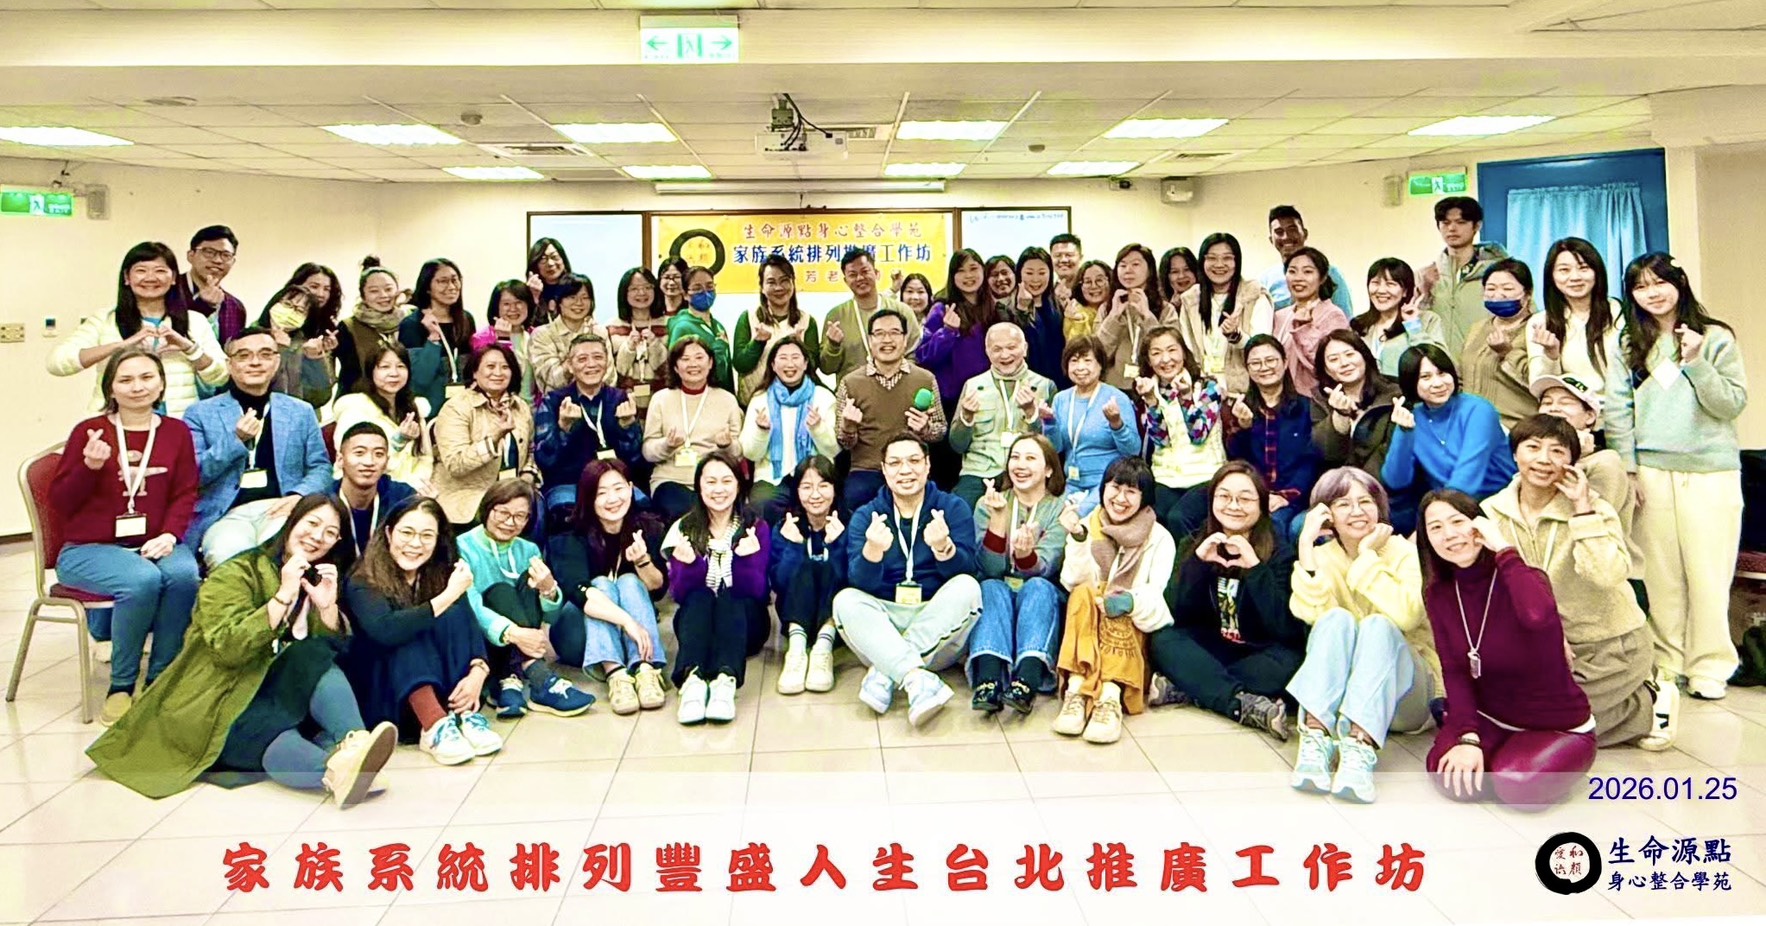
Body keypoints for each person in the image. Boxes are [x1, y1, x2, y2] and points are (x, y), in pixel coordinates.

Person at [87, 493, 395, 805]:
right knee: (274, 735)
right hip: (221, 695)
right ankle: (343, 771)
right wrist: (282, 596)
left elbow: (332, 654)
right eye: (312, 523)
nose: (317, 537)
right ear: (291, 523)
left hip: (273, 689)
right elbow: (227, 649)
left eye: (330, 532)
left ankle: (353, 751)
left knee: (313, 656)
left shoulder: (318, 578)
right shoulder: (237, 572)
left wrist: (327, 608)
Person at [1606, 252, 1748, 702]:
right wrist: (1628, 468)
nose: (1652, 293)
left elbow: (1730, 404)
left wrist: (1696, 362)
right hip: (1651, 470)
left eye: (1659, 282)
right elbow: (1617, 409)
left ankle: (1710, 666)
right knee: (1662, 575)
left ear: (1679, 283)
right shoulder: (1628, 342)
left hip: (1711, 470)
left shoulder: (1716, 337)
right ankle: (1669, 660)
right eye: (1641, 286)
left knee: (1709, 573)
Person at [1482, 414, 1669, 750]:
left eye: (1557, 451)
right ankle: (1616, 708)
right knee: (1511, 717)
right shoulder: (1492, 512)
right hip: (1542, 648)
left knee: (1548, 725)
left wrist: (1582, 511)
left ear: (1571, 462)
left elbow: (1607, 574)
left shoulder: (1595, 508)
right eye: (1533, 447)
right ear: (1514, 453)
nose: (1543, 459)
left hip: (1608, 647)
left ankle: (1648, 705)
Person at [51, 348, 201, 725]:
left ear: (162, 384)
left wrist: (170, 534)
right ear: (111, 388)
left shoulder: (176, 432)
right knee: (142, 579)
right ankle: (120, 685)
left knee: (184, 574)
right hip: (88, 548)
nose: (138, 387)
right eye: (126, 380)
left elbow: (185, 492)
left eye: (147, 378)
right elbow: (61, 502)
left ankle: (160, 677)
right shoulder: (90, 432)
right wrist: (90, 467)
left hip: (154, 541)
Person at [1418, 490, 1596, 808]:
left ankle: (1521, 762)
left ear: (1480, 525)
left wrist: (1502, 547)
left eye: (1457, 522)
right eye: (1436, 528)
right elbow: (1454, 670)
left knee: (1515, 787)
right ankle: (1492, 750)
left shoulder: (1525, 579)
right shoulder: (1439, 593)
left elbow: (1537, 615)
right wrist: (1469, 737)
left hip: (1556, 725)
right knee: (1449, 776)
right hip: (1490, 717)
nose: (1449, 534)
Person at [1285, 468, 1437, 803]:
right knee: (1334, 619)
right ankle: (1316, 738)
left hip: (1407, 696)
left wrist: (1367, 555)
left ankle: (1359, 748)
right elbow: (1312, 617)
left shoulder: (1403, 552)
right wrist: (1306, 544)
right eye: (1343, 504)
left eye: (1365, 501)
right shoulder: (1323, 556)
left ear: (1379, 508)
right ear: (1327, 515)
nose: (1357, 511)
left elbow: (1408, 615)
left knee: (1377, 626)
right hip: (1344, 698)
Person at [1147, 462, 1303, 740]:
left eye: (1245, 499)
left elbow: (1285, 629)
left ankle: (1192, 687)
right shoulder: (1194, 544)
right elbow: (1175, 612)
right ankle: (1239, 703)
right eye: (1224, 496)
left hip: (1258, 651)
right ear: (1212, 501)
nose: (1234, 506)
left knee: (1292, 661)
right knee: (1164, 640)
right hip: (1213, 646)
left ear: (1262, 505)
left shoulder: (1281, 554)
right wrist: (1198, 563)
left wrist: (1255, 568)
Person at [343, 496, 503, 765]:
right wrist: (449, 595)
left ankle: (463, 715)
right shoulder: (363, 578)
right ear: (389, 533)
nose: (416, 544)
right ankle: (434, 726)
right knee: (407, 628)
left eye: (427, 535)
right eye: (407, 533)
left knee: (453, 613)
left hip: (441, 686)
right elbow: (386, 630)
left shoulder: (441, 571)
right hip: (388, 694)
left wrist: (479, 671)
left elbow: (467, 623)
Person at [835, 433, 981, 726]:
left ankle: (887, 671)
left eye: (914, 461)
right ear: (883, 469)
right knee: (845, 601)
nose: (905, 470)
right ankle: (916, 679)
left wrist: (944, 548)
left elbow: (967, 570)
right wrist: (872, 552)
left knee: (968, 588)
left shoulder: (953, 508)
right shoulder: (866, 516)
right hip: (883, 623)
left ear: (928, 465)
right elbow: (859, 583)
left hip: (936, 624)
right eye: (895, 463)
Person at [185, 326, 332, 569]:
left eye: (265, 354)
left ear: (276, 362)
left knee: (286, 555)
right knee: (229, 561)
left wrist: (299, 496)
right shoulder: (200, 413)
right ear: (230, 364)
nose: (255, 362)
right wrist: (235, 440)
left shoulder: (300, 411)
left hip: (282, 509)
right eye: (244, 356)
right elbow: (192, 475)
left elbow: (321, 467)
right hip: (225, 515)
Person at [1052, 457, 1175, 744]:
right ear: (1103, 489)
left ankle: (1109, 697)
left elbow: (1158, 601)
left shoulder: (1160, 538)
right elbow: (1072, 581)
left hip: (1131, 635)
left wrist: (1129, 602)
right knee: (1083, 593)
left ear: (1144, 498)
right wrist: (1078, 539)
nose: (1120, 499)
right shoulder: (1086, 525)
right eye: (1115, 488)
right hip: (1088, 627)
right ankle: (1077, 690)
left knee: (1118, 596)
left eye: (1131, 491)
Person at [455, 480, 595, 719]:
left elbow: (550, 617)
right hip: (483, 640)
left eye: (520, 516)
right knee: (501, 592)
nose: (510, 522)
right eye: (503, 513)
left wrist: (549, 590)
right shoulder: (462, 546)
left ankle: (508, 680)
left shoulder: (529, 549)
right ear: (487, 509)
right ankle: (539, 676)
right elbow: (471, 604)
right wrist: (514, 633)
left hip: (523, 639)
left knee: (527, 584)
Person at [47, 241, 229, 417]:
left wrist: (190, 348)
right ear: (127, 278)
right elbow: (57, 364)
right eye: (141, 270)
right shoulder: (105, 319)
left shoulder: (195, 321)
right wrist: (121, 346)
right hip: (113, 421)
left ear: (173, 278)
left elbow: (221, 376)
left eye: (160, 271)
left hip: (178, 423)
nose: (150, 278)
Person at [548, 460, 669, 715]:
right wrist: (628, 622)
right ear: (588, 498)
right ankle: (615, 674)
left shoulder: (648, 527)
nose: (612, 499)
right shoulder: (569, 534)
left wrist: (642, 561)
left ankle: (645, 669)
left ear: (631, 489)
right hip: (577, 633)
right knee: (601, 583)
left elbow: (658, 589)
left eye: (619, 488)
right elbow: (582, 595)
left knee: (630, 581)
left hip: (630, 634)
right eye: (601, 493)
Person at [662, 450, 772, 725]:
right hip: (698, 623)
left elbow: (758, 593)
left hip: (745, 623)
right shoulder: (684, 528)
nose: (718, 490)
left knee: (730, 597)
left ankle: (725, 681)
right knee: (699, 597)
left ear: (739, 485)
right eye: (710, 482)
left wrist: (745, 561)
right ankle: (693, 682)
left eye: (726, 481)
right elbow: (680, 595)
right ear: (699, 487)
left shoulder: (755, 527)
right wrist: (689, 566)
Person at [967, 435, 1068, 716]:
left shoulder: (1060, 508)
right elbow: (989, 567)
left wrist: (1025, 555)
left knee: (1038, 586)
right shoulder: (987, 503)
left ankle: (1027, 680)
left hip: (1039, 591)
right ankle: (988, 681)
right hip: (999, 587)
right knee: (990, 586)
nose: (1020, 465)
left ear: (1049, 469)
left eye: (1030, 458)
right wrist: (998, 520)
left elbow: (1047, 566)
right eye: (1015, 457)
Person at [1380, 345, 1516, 527]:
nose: (1438, 383)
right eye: (1426, 377)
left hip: (1498, 501)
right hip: (1450, 505)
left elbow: (1468, 476)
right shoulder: (1414, 418)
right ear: (1411, 382)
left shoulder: (1478, 409)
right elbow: (1396, 481)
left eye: (1442, 373)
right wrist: (1404, 433)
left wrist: (1437, 521)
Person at [834, 308, 948, 511]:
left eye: (894, 332)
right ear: (870, 340)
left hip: (911, 467)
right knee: (855, 499)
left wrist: (925, 429)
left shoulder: (925, 379)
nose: (887, 340)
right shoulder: (850, 383)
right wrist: (849, 427)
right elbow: (844, 442)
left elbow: (940, 430)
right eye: (879, 334)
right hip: (867, 469)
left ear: (905, 339)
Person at [533, 333, 641, 531]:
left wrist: (627, 427)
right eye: (582, 359)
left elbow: (636, 459)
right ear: (569, 365)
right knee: (567, 518)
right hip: (569, 483)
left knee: (644, 511)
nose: (591, 364)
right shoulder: (553, 401)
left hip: (614, 484)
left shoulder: (620, 398)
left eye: (598, 357)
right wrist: (564, 428)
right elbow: (544, 460)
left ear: (607, 362)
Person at [949, 323, 1056, 508]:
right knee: (958, 511)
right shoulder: (973, 386)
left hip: (1025, 471)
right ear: (987, 352)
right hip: (979, 472)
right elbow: (957, 445)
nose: (1005, 355)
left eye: (1011, 347)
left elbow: (1053, 446)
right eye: (997, 349)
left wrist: (1031, 414)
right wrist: (967, 418)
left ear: (1025, 348)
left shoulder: (1044, 386)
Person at [432, 343, 540, 526]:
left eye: (505, 367)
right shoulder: (456, 407)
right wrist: (493, 440)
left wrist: (527, 477)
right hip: (467, 494)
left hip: (512, 492)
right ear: (475, 372)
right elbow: (455, 464)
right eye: (490, 366)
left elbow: (530, 450)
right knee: (498, 514)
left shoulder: (520, 406)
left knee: (538, 511)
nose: (498, 372)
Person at [1133, 326, 1224, 540]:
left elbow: (1199, 434)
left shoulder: (1208, 387)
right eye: (1156, 353)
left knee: (1179, 517)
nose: (1165, 359)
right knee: (1153, 516)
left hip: (1206, 475)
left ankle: (1187, 562)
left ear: (1184, 352)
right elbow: (1161, 440)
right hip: (1165, 476)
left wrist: (1186, 397)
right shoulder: (1147, 389)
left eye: (1172, 350)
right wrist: (1151, 401)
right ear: (1148, 360)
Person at [641, 337, 745, 523]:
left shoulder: (727, 400)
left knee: (729, 514)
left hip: (715, 481)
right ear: (675, 366)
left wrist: (727, 445)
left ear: (710, 362)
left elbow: (738, 453)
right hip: (672, 479)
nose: (693, 364)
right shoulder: (661, 399)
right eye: (685, 359)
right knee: (690, 513)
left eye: (699, 357)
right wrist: (667, 445)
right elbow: (648, 451)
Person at [1227, 336, 1321, 540]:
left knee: (1274, 525)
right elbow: (1237, 461)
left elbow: (1311, 461)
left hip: (1296, 496)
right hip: (1253, 495)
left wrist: (1285, 496)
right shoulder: (1242, 409)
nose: (1264, 367)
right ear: (1247, 369)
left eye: (1270, 360)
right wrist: (1243, 428)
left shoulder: (1307, 407)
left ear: (1285, 362)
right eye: (1255, 363)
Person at [768, 455, 847, 695]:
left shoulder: (850, 523)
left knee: (827, 567)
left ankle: (823, 649)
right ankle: (796, 652)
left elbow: (853, 580)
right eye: (806, 487)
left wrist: (837, 545)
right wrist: (794, 547)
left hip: (834, 623)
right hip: (794, 620)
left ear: (835, 488)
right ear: (796, 491)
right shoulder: (786, 527)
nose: (815, 495)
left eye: (823, 485)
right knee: (804, 566)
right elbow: (779, 584)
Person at [1312, 331, 1407, 523]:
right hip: (1338, 496)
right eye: (1334, 359)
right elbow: (1326, 455)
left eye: (1349, 354)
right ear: (1327, 370)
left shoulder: (1395, 394)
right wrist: (1339, 416)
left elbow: (1388, 454)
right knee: (1299, 526)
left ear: (1364, 356)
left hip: (1387, 496)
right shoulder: (1319, 399)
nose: (1344, 363)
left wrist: (1360, 493)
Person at [739, 335, 839, 511]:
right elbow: (750, 454)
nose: (790, 364)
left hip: (815, 477)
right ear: (773, 365)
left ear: (805, 363)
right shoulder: (760, 400)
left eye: (795, 357)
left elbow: (833, 451)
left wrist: (818, 428)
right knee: (762, 502)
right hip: (771, 478)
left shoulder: (823, 397)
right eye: (783, 358)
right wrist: (761, 431)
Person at [1042, 337, 1138, 514]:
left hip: (1109, 483)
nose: (1080, 367)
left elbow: (1132, 451)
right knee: (1051, 515)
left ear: (1100, 365)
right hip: (1072, 482)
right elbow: (1056, 448)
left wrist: (1116, 423)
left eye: (1087, 361)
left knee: (1076, 516)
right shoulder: (1061, 399)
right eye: (1074, 361)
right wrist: (1049, 423)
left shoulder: (1117, 398)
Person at [1529, 237, 1621, 410]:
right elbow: (1540, 387)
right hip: (1573, 416)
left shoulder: (1620, 313)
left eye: (1583, 268)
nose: (1575, 277)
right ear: (1552, 276)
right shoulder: (1541, 322)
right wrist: (1551, 355)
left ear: (1597, 272)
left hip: (1622, 411)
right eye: (1564, 270)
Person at [1177, 233, 1273, 395]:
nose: (1219, 264)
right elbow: (1187, 346)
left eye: (1227, 258)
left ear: (1237, 261)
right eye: (1212, 258)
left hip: (1245, 390)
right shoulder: (1191, 299)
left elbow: (1262, 348)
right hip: (1204, 390)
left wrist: (1237, 336)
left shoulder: (1254, 295)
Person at [330, 343, 433, 492]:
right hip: (365, 491)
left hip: (410, 490)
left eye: (401, 366)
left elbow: (425, 458)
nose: (394, 373)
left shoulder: (413, 408)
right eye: (385, 367)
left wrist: (415, 488)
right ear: (371, 371)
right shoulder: (355, 408)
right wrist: (398, 441)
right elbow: (357, 463)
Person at [917, 249, 1001, 421]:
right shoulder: (942, 309)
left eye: (973, 269)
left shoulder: (994, 309)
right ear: (952, 276)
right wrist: (947, 332)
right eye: (961, 271)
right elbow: (924, 357)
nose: (968, 276)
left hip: (989, 394)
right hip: (952, 400)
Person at [1420, 196, 1508, 355]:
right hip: (1439, 366)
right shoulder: (1427, 276)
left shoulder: (1501, 274)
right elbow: (1413, 323)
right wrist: (1424, 293)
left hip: (1486, 363)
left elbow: (1523, 319)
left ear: (1477, 225)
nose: (1452, 228)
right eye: (1445, 223)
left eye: (1461, 222)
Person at [820, 248, 922, 382]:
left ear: (877, 273)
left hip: (897, 388)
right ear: (845, 280)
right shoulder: (836, 316)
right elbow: (826, 368)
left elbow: (915, 356)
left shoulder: (902, 311)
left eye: (865, 271)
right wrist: (833, 346)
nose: (860, 278)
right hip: (851, 392)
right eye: (852, 274)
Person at [733, 255, 820, 405]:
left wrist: (800, 347)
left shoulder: (807, 321)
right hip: (754, 404)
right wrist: (757, 343)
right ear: (762, 287)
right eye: (771, 282)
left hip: (797, 405)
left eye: (784, 280)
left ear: (793, 283)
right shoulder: (749, 318)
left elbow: (813, 367)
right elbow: (740, 364)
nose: (779, 287)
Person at [1459, 258, 1535, 429]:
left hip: (1516, 428)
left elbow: (1539, 383)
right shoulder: (1477, 328)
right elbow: (1462, 375)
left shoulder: (1538, 327)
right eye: (1491, 289)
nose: (1498, 295)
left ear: (1528, 294)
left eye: (1507, 289)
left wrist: (1507, 353)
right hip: (1472, 425)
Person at [396, 258, 477, 418]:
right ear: (427, 287)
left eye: (455, 280)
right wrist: (432, 339)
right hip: (429, 412)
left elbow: (472, 368)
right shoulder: (412, 324)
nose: (451, 287)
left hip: (464, 410)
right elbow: (420, 379)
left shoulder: (466, 320)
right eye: (443, 281)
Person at [1096, 243, 1181, 391]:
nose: (1128, 270)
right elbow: (1098, 354)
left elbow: (1170, 352)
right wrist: (1113, 317)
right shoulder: (1107, 308)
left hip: (1154, 387)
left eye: (1135, 264)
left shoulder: (1166, 309)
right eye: (1123, 265)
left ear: (1150, 270)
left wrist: (1147, 317)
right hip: (1113, 388)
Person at [1271, 247, 1351, 397]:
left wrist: (1304, 329)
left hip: (1315, 400)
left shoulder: (1333, 315)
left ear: (1322, 278)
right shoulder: (1280, 315)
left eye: (1307, 272)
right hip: (1281, 399)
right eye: (1292, 271)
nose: (1298, 278)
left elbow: (1327, 365)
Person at [330, 423, 418, 558]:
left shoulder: (403, 498)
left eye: (379, 454)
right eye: (359, 453)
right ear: (340, 459)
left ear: (386, 461)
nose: (369, 462)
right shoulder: (324, 501)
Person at [260, 267, 340, 410]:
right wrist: (279, 349)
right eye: (287, 305)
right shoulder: (250, 336)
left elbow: (321, 396)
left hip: (300, 415)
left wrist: (317, 359)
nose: (320, 294)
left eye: (300, 311)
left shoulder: (307, 341)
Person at [1352, 258, 1442, 377]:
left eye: (1390, 284)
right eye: (1375, 283)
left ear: (1405, 291)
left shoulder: (1427, 320)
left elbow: (1438, 363)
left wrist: (1413, 326)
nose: (1381, 290)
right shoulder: (1358, 325)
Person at [1259, 206, 1353, 316]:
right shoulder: (1266, 280)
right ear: (1271, 240)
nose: (1286, 237)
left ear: (1305, 234)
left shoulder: (1330, 273)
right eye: (1279, 232)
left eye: (1292, 230)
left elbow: (1345, 318)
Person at [335, 257, 407, 397]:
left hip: (402, 400)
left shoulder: (408, 321)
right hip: (360, 400)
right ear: (363, 295)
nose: (383, 295)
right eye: (374, 291)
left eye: (388, 289)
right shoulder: (348, 327)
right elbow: (350, 376)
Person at [607, 267, 670, 420]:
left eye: (647, 287)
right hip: (624, 406)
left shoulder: (669, 324)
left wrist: (654, 345)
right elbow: (613, 376)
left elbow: (670, 373)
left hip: (661, 404)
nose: (641, 293)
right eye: (634, 289)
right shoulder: (611, 327)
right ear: (624, 293)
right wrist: (628, 349)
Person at [529, 274, 603, 396]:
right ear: (559, 302)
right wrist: (574, 359)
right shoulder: (542, 334)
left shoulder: (599, 332)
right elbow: (552, 379)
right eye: (572, 297)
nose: (579, 303)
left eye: (585, 297)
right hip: (557, 403)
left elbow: (609, 377)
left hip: (599, 402)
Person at [1008, 246, 1069, 388]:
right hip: (1027, 385)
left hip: (1060, 382)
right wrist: (1022, 309)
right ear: (1019, 275)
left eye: (1042, 273)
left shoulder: (1057, 305)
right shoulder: (1008, 309)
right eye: (1029, 273)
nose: (1036, 279)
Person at [178, 225, 248, 345]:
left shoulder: (236, 307)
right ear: (190, 255)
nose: (217, 260)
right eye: (209, 252)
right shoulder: (167, 291)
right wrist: (204, 306)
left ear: (233, 261)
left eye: (226, 255)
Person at [668, 265, 735, 392]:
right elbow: (675, 371)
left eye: (710, 287)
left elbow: (727, 370)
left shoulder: (718, 326)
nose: (705, 292)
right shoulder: (682, 327)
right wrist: (718, 349)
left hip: (721, 396)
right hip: (695, 396)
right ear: (685, 294)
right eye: (697, 288)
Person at [470, 280, 539, 401]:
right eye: (506, 304)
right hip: (501, 407)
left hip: (535, 408)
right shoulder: (482, 338)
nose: (513, 309)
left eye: (519, 302)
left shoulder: (535, 335)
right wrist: (503, 341)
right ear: (496, 307)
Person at [526, 236, 573, 325]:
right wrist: (533, 298)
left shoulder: (576, 288)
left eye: (554, 257)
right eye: (543, 259)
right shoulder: (526, 293)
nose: (550, 263)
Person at [1062, 259, 1112, 342]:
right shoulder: (1073, 312)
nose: (1094, 286)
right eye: (1088, 282)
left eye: (1099, 280)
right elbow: (1076, 347)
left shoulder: (1118, 310)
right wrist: (1079, 321)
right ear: (1080, 286)